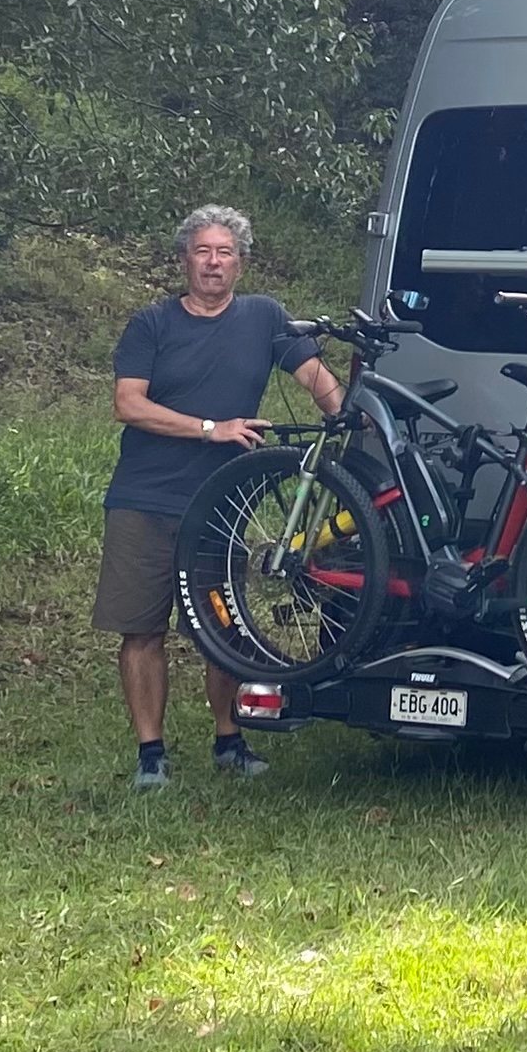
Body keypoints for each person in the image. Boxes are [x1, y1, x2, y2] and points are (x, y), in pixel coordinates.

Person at [103, 205, 342, 791]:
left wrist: (351, 420)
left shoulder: (264, 317)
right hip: (145, 497)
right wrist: (212, 428)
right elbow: (128, 404)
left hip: (221, 504)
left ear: (241, 262)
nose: (213, 263)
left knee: (222, 628)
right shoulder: (152, 324)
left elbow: (315, 377)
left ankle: (229, 738)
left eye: (224, 252)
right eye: (202, 251)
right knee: (141, 630)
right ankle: (150, 754)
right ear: (184, 259)